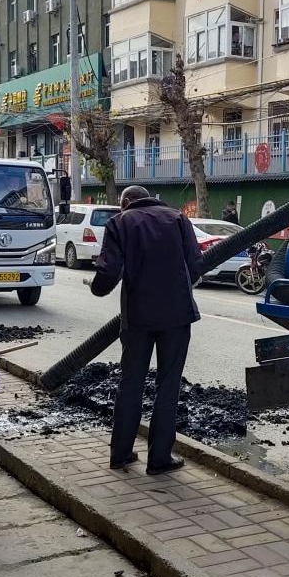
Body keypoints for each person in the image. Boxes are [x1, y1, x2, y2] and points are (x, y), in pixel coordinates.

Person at [90, 185, 204, 475]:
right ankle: (159, 459)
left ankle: (120, 454)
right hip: (177, 315)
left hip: (137, 317)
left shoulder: (119, 223)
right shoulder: (178, 218)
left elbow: (109, 270)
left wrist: (97, 289)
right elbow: (195, 264)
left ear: (127, 201)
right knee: (168, 384)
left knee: (131, 383)